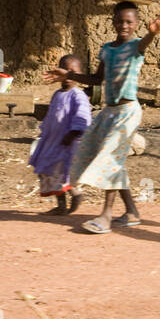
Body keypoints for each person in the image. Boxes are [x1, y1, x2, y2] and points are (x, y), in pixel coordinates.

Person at [43, 2, 160, 234]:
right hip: (109, 112)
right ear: (113, 22)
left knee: (109, 158)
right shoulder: (107, 50)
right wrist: (69, 75)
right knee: (102, 157)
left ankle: (106, 215)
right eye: (120, 21)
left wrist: (152, 34)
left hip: (128, 112)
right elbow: (95, 80)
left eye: (129, 22)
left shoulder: (135, 47)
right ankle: (132, 212)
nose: (124, 25)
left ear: (137, 24)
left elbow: (144, 43)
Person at [29, 54, 92, 215]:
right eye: (65, 70)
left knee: (64, 173)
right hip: (52, 142)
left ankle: (76, 195)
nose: (68, 76)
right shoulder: (57, 95)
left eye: (73, 72)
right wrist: (44, 131)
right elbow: (51, 116)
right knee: (49, 171)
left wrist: (74, 133)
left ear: (79, 74)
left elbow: (83, 116)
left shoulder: (78, 95)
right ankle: (61, 205)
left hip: (68, 144)